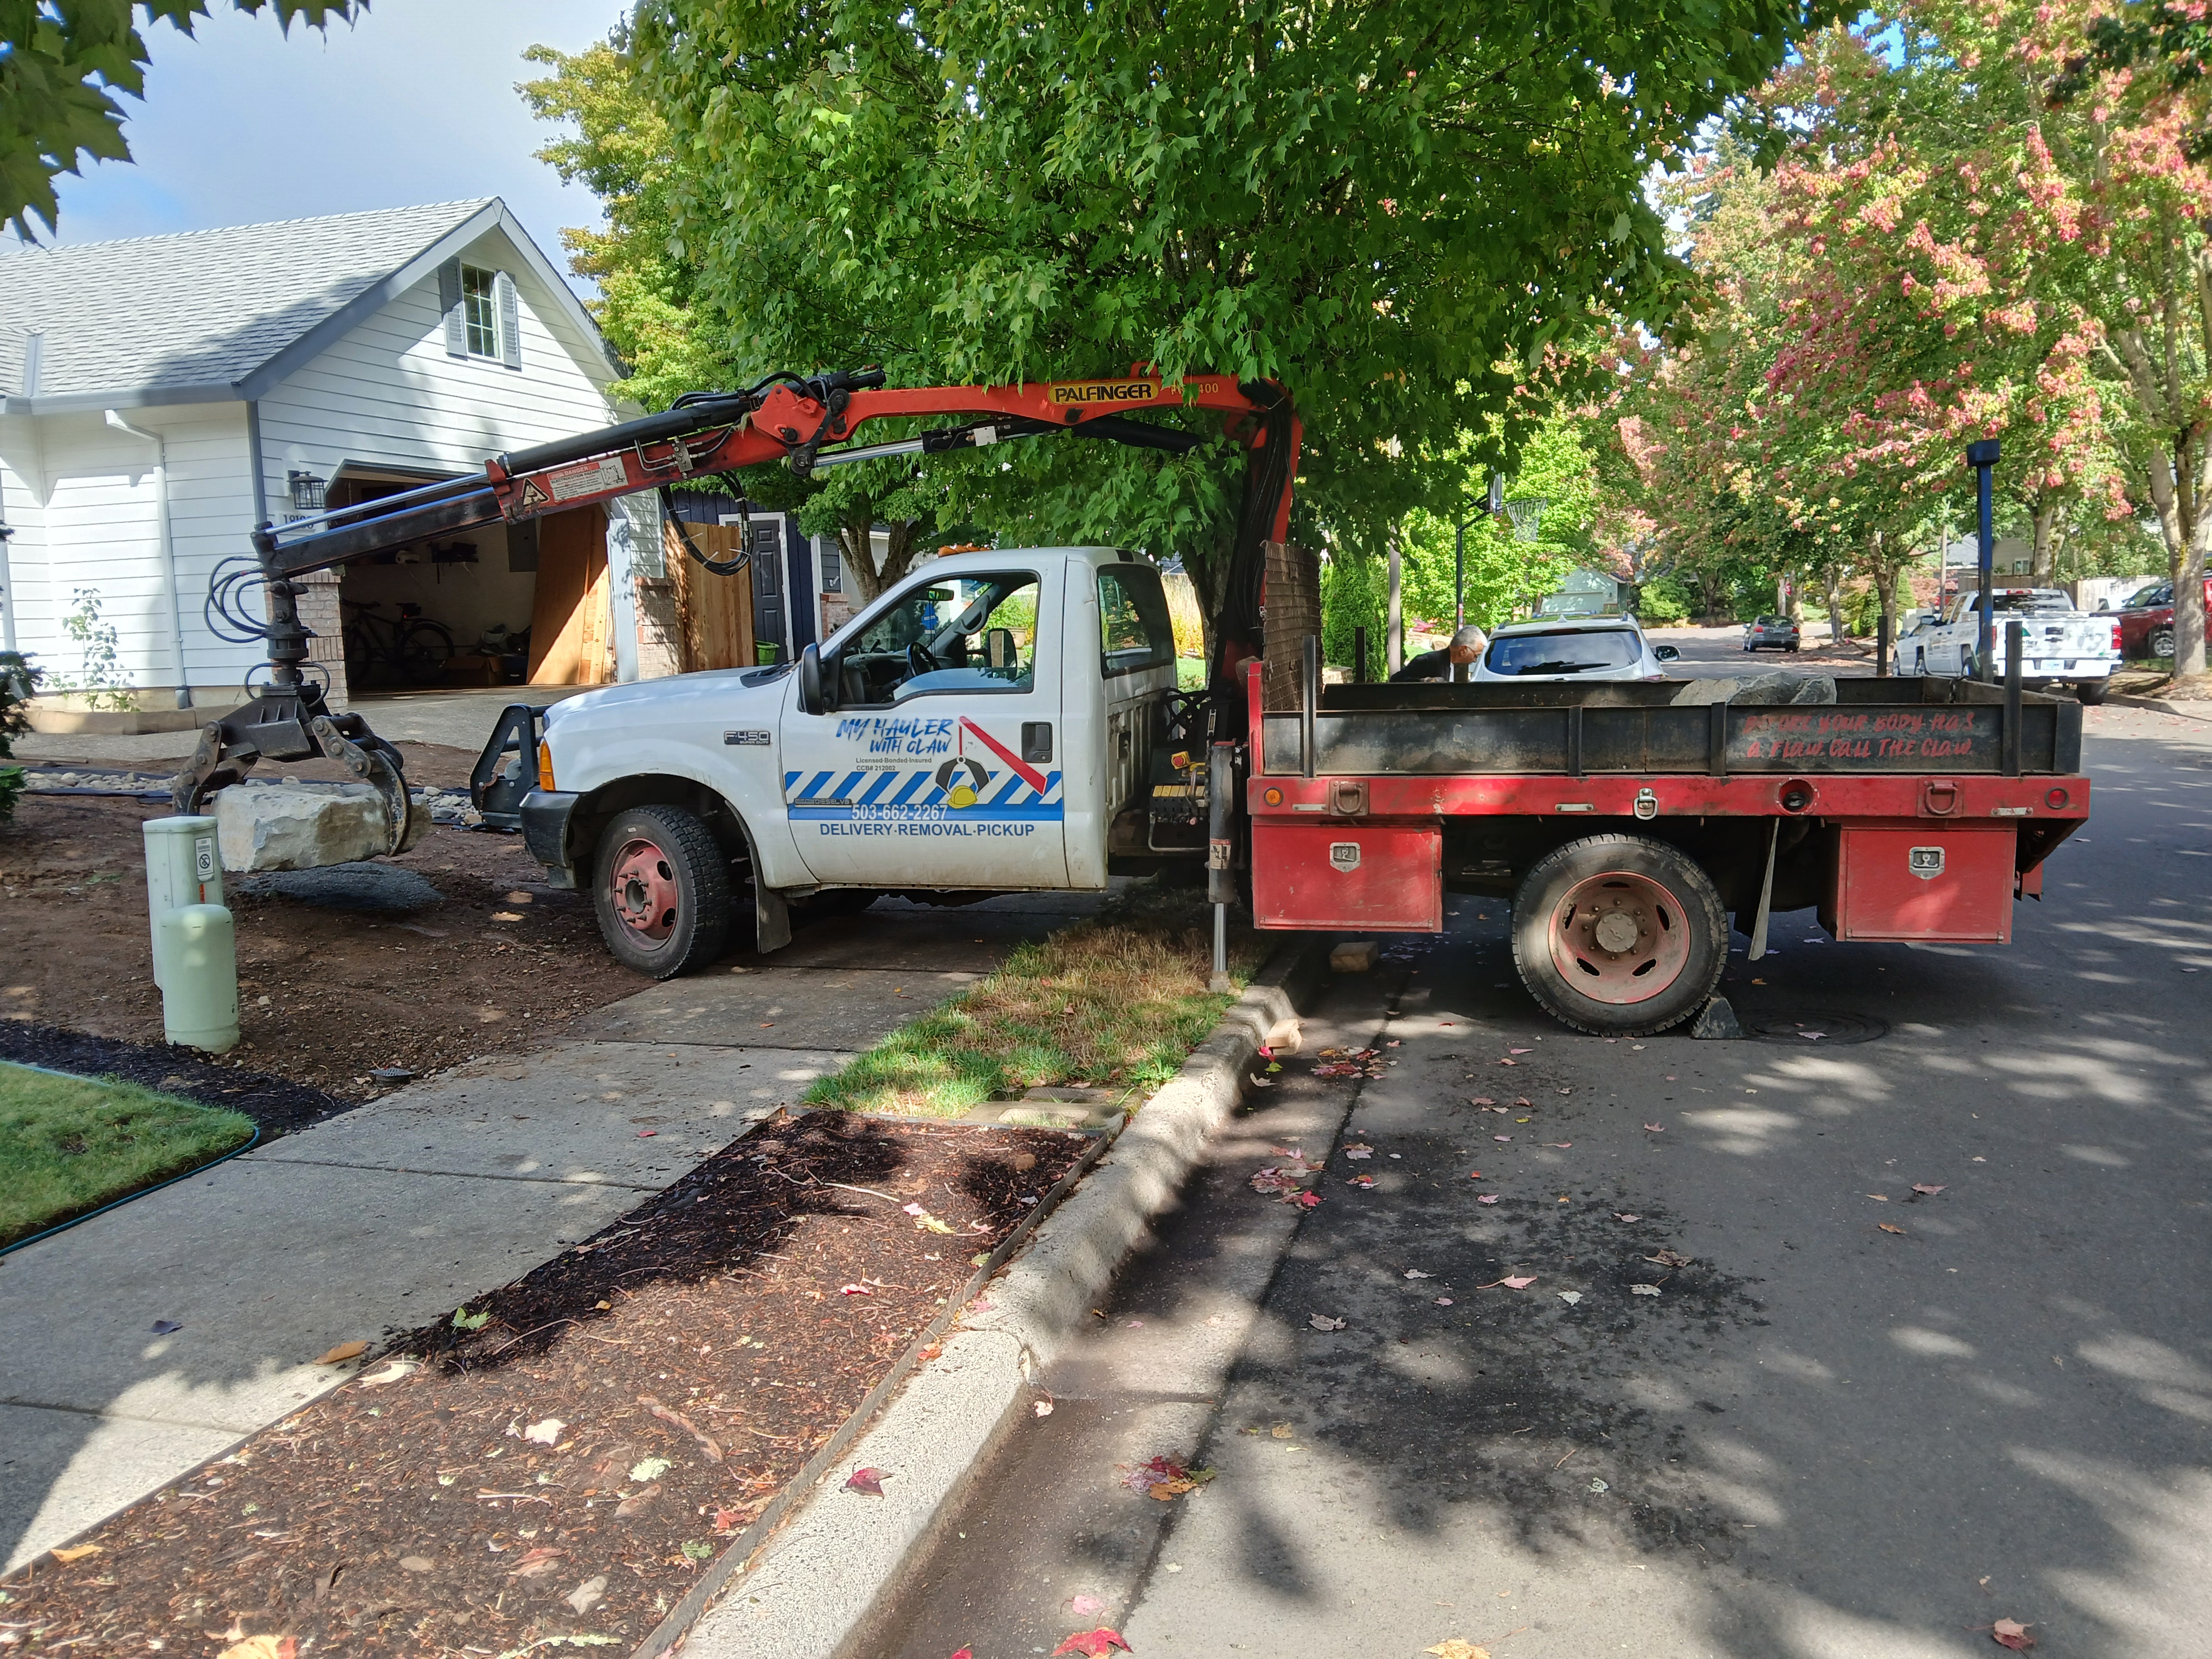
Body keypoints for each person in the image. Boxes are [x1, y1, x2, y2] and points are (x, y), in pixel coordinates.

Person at [1390, 623, 1489, 683]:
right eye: (1475, 656)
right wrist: (1423, 682)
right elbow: (1396, 679)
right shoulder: (1428, 661)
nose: (1475, 660)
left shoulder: (1461, 669)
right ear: (1463, 650)